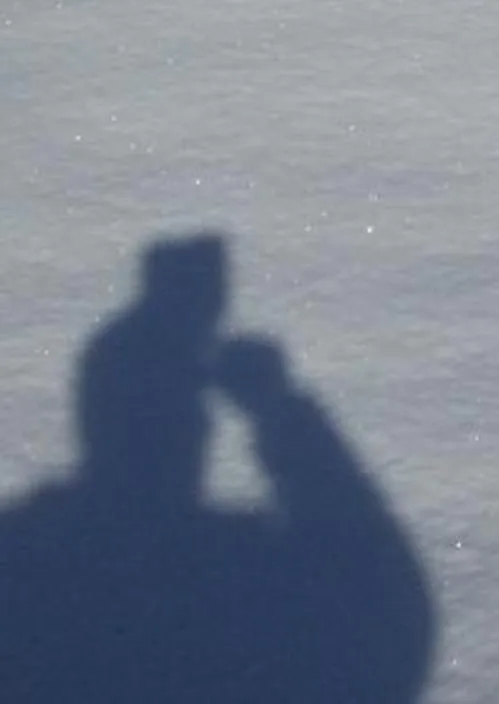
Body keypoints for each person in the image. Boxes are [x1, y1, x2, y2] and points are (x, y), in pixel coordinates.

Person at [0, 234, 434, 702]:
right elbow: (385, 631)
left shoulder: (24, 562)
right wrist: (280, 413)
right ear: (197, 431)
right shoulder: (236, 578)